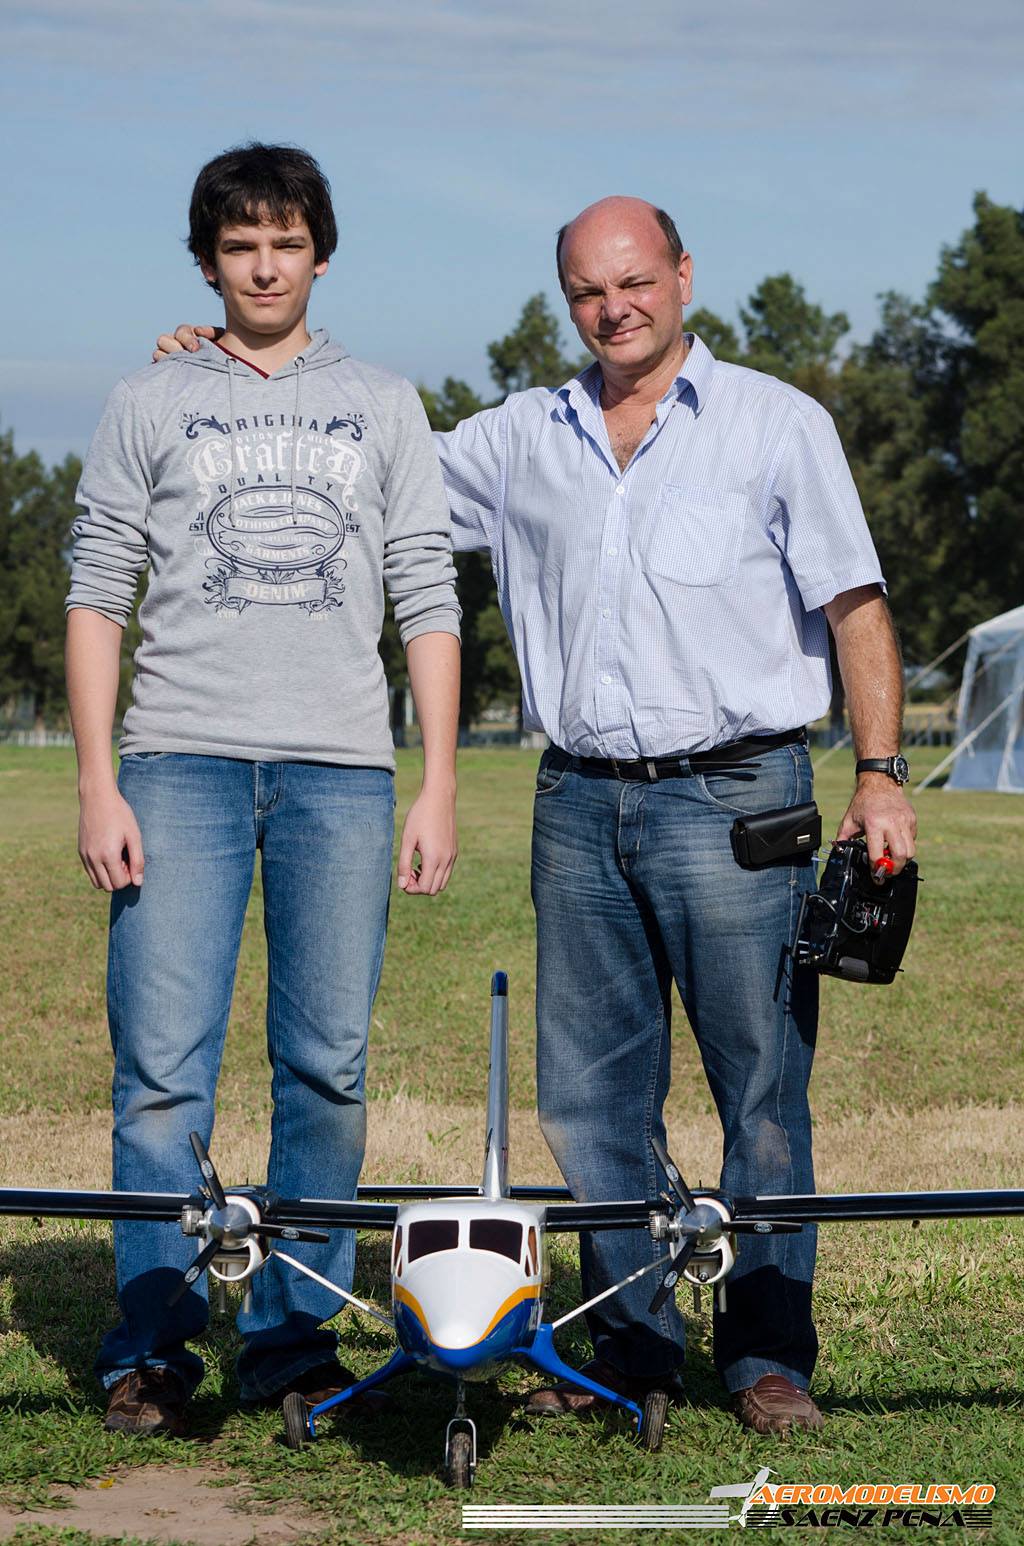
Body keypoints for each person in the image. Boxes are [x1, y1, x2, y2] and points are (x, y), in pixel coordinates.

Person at [153, 195, 916, 1436]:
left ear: (681, 275)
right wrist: (240, 377)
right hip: (576, 805)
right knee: (591, 1101)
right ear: (566, 302)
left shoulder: (778, 425)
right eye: (585, 291)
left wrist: (880, 772)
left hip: (742, 804)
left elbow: (854, 606)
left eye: (634, 281)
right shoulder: (517, 438)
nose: (613, 308)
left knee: (760, 1091)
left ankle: (767, 1352)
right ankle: (635, 1347)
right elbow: (363, 476)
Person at [68, 142, 461, 1438]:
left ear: (321, 253)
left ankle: (289, 1337)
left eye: (286, 243)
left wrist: (440, 776)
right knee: (162, 1075)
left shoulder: (388, 404)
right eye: (241, 247)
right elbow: (94, 590)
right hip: (175, 763)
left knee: (328, 1068)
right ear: (208, 261)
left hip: (342, 773)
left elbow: (426, 591)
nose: (265, 266)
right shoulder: (147, 395)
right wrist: (94, 779)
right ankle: (156, 1344)